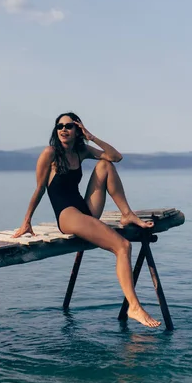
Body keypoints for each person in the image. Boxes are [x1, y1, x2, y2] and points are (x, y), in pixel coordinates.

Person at [12, 112, 161, 328]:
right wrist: (27, 221)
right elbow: (40, 188)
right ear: (56, 130)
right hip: (67, 214)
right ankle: (134, 307)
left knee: (105, 165)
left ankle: (127, 213)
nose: (64, 129)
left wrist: (91, 136)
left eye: (69, 126)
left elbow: (115, 156)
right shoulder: (50, 153)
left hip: (85, 209)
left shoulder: (81, 150)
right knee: (123, 246)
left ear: (77, 130)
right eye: (60, 126)